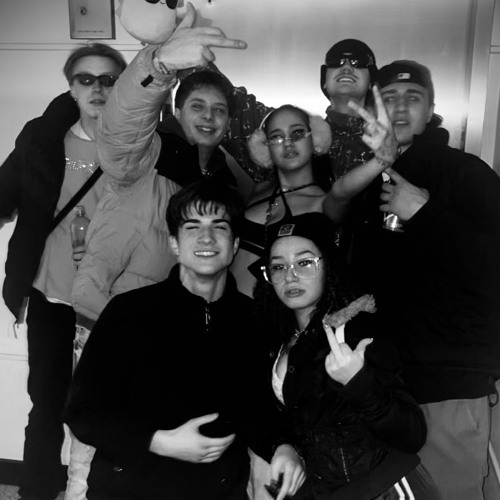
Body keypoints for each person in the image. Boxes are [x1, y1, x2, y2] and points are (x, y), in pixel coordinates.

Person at [64, 180, 305, 500]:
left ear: (234, 244)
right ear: (174, 243)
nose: (206, 237)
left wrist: (283, 446)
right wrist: (158, 441)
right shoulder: (128, 312)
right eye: (192, 227)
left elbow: (256, 408)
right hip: (130, 489)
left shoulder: (253, 320)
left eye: (219, 226)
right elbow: (83, 412)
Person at [329, 59, 500, 500]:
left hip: (447, 386)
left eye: (413, 97)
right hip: (379, 388)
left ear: (431, 111)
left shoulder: (466, 173)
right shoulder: (368, 181)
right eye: (389, 98)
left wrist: (425, 212)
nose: (401, 108)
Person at [0, 43, 127, 500]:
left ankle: (100, 491)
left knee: (110, 405)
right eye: (85, 79)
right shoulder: (43, 138)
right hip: (52, 296)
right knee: (47, 405)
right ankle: (37, 490)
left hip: (113, 302)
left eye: (109, 79)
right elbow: (4, 194)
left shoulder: (141, 141)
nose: (97, 88)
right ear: (71, 87)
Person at [253, 212, 439, 499]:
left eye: (305, 263)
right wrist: (285, 447)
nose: (290, 276)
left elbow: (412, 434)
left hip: (385, 489)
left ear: (328, 265)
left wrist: (358, 381)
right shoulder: (279, 341)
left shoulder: (355, 330)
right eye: (278, 267)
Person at [230, 104, 332, 297]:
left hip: (272, 309)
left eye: (297, 133)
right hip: (224, 301)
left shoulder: (324, 203)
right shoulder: (259, 188)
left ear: (316, 138)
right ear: (265, 147)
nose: (288, 143)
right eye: (276, 136)